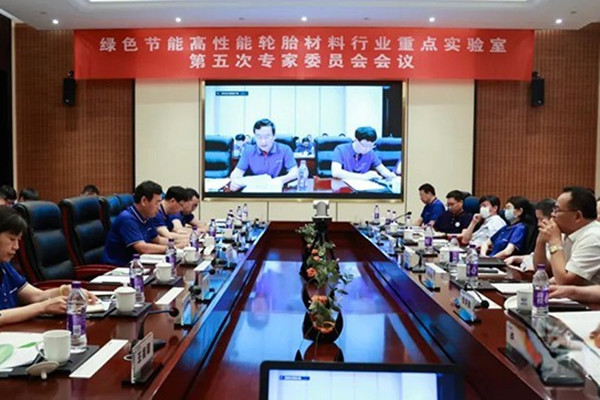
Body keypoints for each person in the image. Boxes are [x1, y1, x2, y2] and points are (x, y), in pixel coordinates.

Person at [0, 207, 97, 326]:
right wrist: (42, 307)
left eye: (18, 240)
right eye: (12, 239)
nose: (16, 247)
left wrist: (64, 291)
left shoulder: (5, 266)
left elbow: (36, 296)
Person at [102, 181, 183, 266]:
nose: (159, 207)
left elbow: (158, 239)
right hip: (117, 268)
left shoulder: (147, 216)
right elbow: (142, 248)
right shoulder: (127, 219)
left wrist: (179, 243)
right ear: (144, 201)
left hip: (137, 264)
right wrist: (173, 248)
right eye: (157, 202)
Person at [534, 186, 600, 285]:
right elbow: (543, 271)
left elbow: (565, 282)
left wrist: (555, 242)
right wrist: (540, 241)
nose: (552, 215)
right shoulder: (567, 233)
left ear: (577, 216)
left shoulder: (593, 237)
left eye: (557, 210)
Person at [229, 119, 298, 191]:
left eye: (267, 136)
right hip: (255, 191)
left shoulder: (285, 149)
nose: (263, 141)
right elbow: (236, 174)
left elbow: (295, 172)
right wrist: (235, 182)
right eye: (258, 137)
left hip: (277, 191)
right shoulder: (248, 151)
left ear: (274, 136)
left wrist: (280, 180)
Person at [504, 198, 555, 270]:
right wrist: (514, 258)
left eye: (541, 219)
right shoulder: (546, 236)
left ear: (553, 218)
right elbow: (533, 257)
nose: (538, 224)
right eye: (537, 219)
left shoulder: (558, 238)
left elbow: (543, 267)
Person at [330, 126, 396, 181]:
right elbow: (336, 172)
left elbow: (381, 169)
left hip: (363, 187)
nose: (367, 149)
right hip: (344, 187)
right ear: (356, 140)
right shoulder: (340, 149)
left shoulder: (370, 152)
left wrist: (389, 175)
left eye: (371, 146)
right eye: (365, 146)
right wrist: (364, 177)